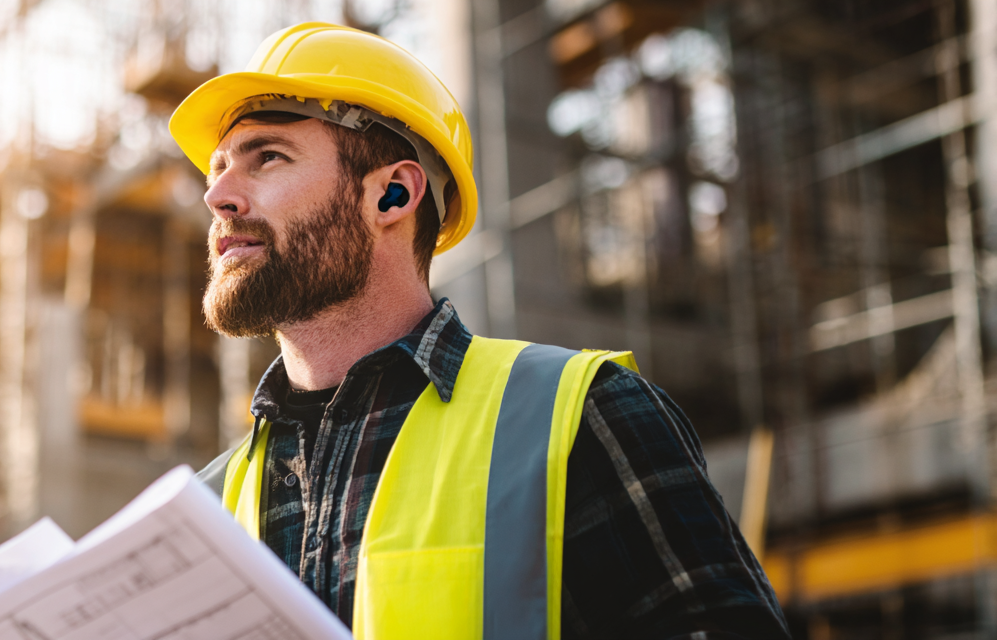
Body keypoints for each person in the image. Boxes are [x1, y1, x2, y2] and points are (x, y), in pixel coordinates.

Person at [176, 22, 788, 639]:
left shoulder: (579, 418)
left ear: (391, 194)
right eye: (218, 169)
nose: (217, 195)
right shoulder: (208, 505)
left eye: (268, 158)